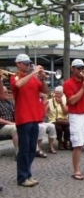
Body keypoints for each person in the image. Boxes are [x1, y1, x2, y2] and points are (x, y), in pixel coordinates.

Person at [10, 54, 49, 187]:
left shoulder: (33, 78)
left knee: (32, 148)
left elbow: (45, 91)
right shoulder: (14, 76)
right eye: (25, 63)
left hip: (35, 117)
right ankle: (22, 177)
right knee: (24, 149)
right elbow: (19, 85)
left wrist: (42, 78)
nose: (27, 65)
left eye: (28, 63)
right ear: (18, 64)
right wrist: (33, 73)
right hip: (23, 117)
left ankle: (28, 174)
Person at [47, 86, 70, 150]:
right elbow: (44, 111)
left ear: (62, 94)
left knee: (67, 128)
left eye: (59, 93)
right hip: (53, 120)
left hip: (63, 120)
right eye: (56, 93)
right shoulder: (50, 101)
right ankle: (60, 142)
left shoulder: (65, 101)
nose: (57, 95)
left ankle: (66, 141)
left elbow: (66, 113)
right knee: (58, 127)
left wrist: (61, 103)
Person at [0, 82, 19, 160]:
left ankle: (31, 150)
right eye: (5, 92)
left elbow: (16, 113)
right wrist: (11, 123)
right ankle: (18, 153)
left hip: (11, 124)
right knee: (15, 128)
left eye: (7, 92)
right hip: (2, 127)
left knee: (25, 126)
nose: (7, 93)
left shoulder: (9, 102)